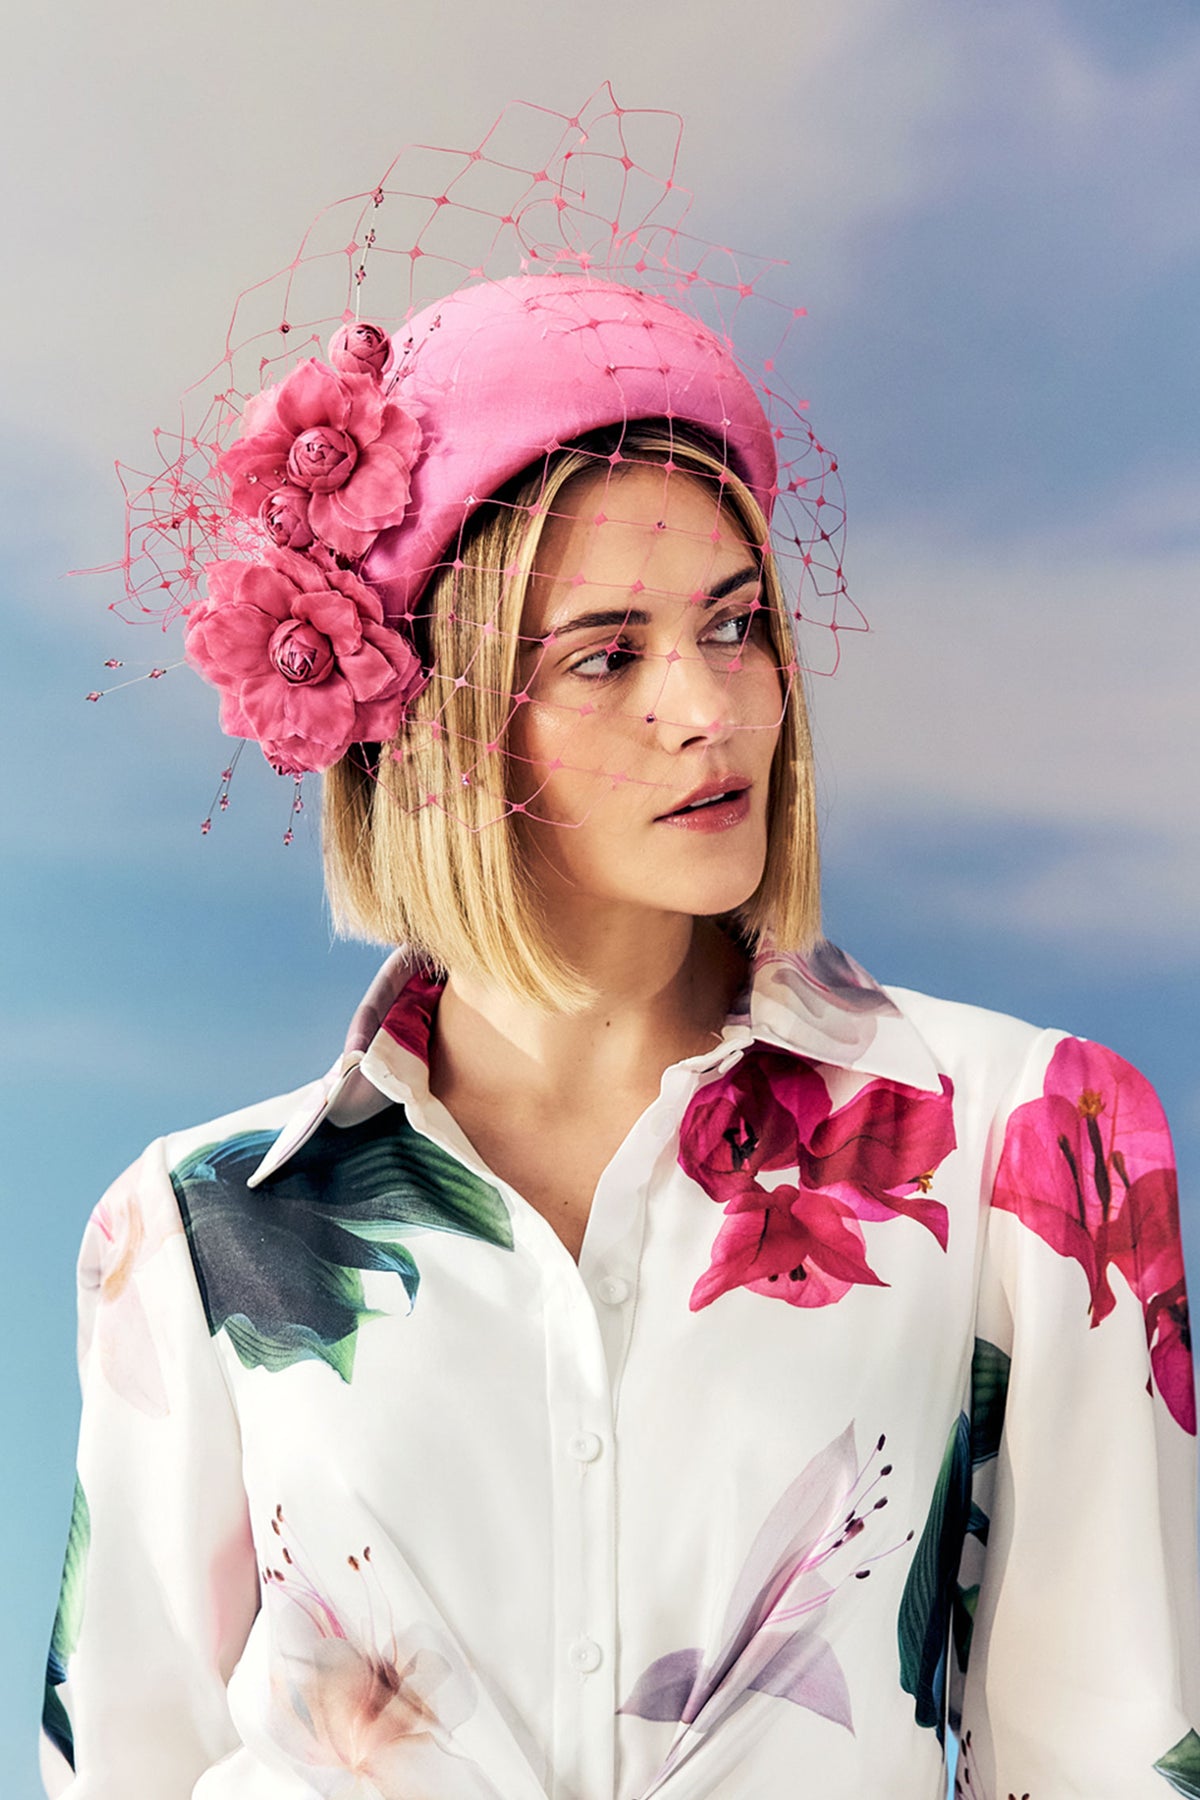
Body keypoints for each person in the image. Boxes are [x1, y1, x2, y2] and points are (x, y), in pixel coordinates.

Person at [41, 99, 1199, 1800]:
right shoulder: (197, 1231)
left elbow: (1119, 1753)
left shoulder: (1037, 1144)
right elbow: (125, 1761)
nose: (708, 706)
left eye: (735, 624)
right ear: (429, 727)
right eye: (606, 654)